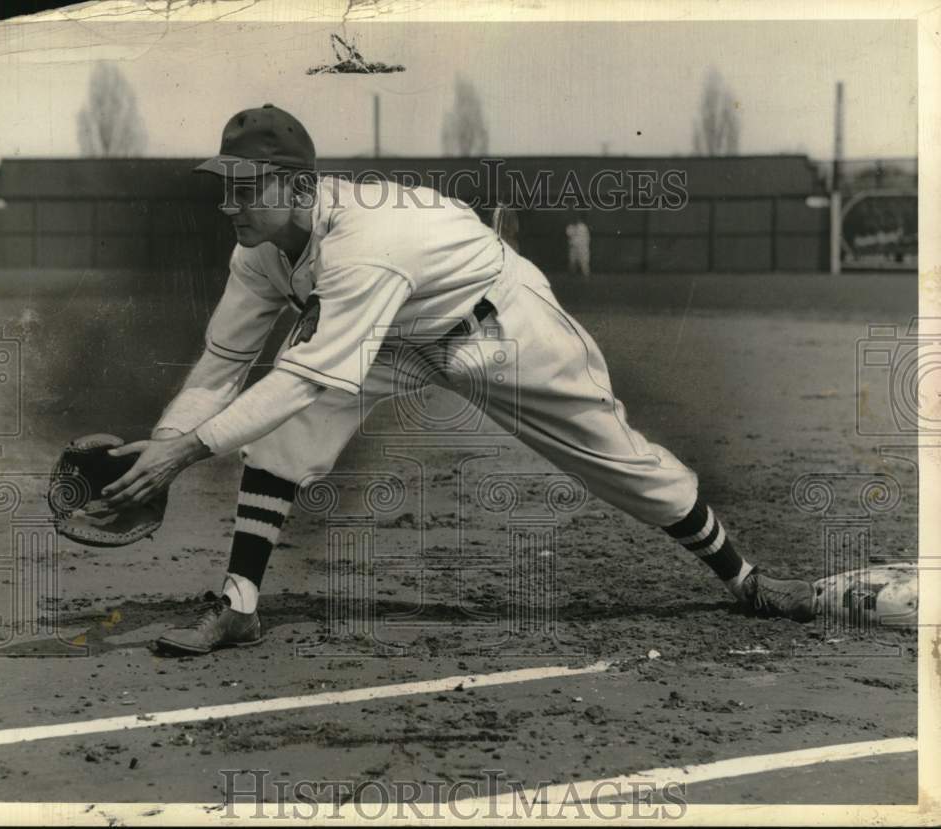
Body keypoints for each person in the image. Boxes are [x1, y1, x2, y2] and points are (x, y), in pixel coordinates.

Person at [102, 104, 816, 655]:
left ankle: (744, 578)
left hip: (495, 329)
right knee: (291, 425)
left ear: (296, 186)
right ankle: (238, 604)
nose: (229, 204)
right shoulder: (257, 251)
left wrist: (186, 451)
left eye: (244, 188)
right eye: (224, 187)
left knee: (614, 458)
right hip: (392, 337)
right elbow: (224, 363)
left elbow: (298, 372)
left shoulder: (363, 243)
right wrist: (163, 446)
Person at [565, 214, 591, 278]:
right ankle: (571, 277)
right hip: (573, 248)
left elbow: (586, 238)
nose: (575, 220)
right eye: (574, 219)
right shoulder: (570, 227)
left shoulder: (583, 227)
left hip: (583, 248)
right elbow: (569, 235)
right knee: (572, 263)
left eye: (577, 219)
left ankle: (586, 277)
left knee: (584, 263)